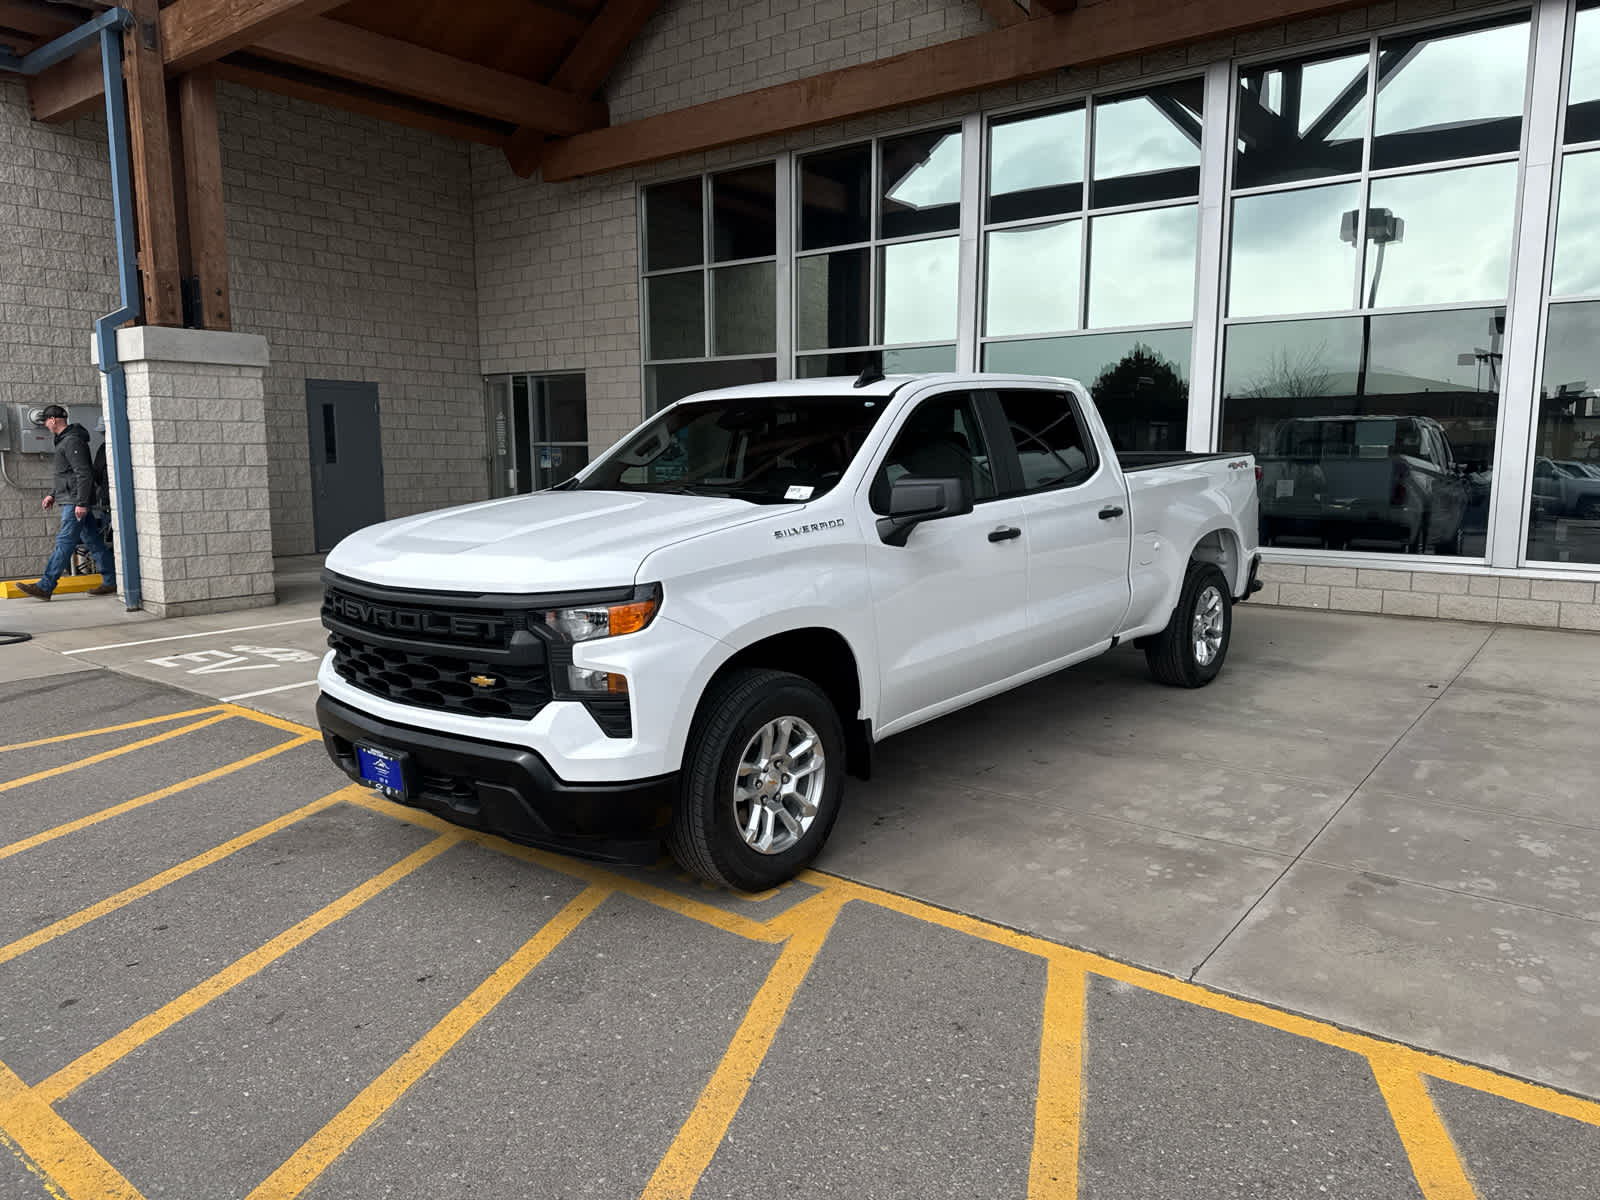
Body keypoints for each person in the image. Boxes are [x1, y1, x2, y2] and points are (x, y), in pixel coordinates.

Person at [15, 405, 117, 600]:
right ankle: (111, 580)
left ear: (53, 420)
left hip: (74, 502)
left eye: (45, 421)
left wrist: (81, 502)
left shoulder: (71, 441)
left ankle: (45, 586)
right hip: (71, 498)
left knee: (64, 542)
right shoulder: (64, 440)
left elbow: (83, 473)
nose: (45, 425)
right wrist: (53, 494)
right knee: (93, 542)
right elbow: (67, 474)